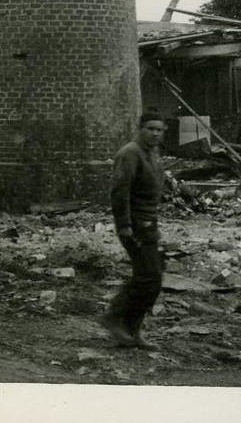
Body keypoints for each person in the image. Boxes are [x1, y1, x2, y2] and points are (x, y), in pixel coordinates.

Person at [101, 110, 167, 349]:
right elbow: (120, 192)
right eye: (150, 128)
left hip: (149, 223)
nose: (155, 133)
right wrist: (124, 225)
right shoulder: (130, 153)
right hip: (135, 225)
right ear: (139, 129)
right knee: (149, 276)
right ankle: (113, 317)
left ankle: (132, 331)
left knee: (152, 277)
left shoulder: (152, 153)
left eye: (159, 129)